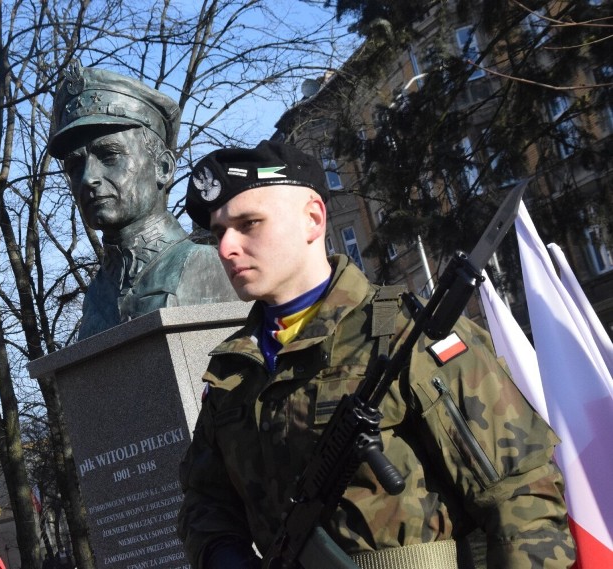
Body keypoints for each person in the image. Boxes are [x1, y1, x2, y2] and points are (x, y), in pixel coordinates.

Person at [177, 140, 575, 568]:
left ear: (312, 219)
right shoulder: (234, 369)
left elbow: (521, 499)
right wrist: (222, 554)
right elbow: (205, 500)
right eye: (219, 233)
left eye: (249, 223)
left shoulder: (408, 334)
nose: (226, 248)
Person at [49, 62, 237, 340]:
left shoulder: (211, 268)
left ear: (163, 168)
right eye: (75, 166)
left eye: (110, 156)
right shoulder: (96, 296)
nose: (88, 178)